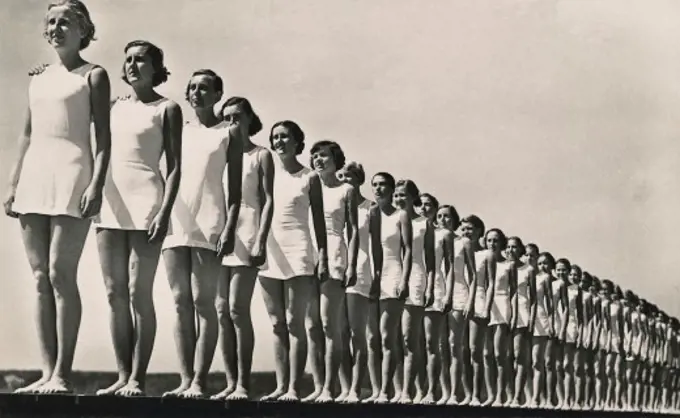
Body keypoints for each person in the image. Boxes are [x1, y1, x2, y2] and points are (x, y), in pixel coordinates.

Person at [4, 0, 111, 394]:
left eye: (65, 21)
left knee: (60, 273)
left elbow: (103, 136)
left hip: (73, 173)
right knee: (38, 277)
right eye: (50, 22)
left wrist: (97, 183)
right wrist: (14, 183)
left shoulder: (94, 75)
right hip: (35, 175)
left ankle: (63, 375)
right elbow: (28, 134)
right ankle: (46, 372)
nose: (56, 28)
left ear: (84, 29)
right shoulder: (38, 78)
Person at [92, 40, 182, 397]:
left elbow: (174, 167)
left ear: (156, 67)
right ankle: (122, 374)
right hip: (111, 202)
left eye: (140, 59)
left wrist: (165, 210)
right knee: (114, 293)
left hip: (148, 201)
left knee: (137, 291)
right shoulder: (113, 106)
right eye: (127, 59)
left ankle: (138, 380)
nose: (132, 65)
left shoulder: (167, 108)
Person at [160, 78, 247, 399]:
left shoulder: (229, 131)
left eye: (205, 87)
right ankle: (184, 380)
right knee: (180, 302)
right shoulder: (177, 127)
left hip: (210, 221)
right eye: (193, 87)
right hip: (175, 219)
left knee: (203, 302)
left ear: (218, 94)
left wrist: (228, 228)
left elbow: (235, 192)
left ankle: (199, 381)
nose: (197, 92)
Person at [257, 121, 328, 402]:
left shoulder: (309, 177)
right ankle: (280, 385)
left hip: (298, 252)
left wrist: (321, 255)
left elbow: (319, 222)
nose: (278, 141)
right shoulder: (266, 171)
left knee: (294, 322)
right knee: (276, 324)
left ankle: (295, 388)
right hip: (269, 252)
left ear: (297, 141)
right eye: (275, 137)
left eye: (284, 136)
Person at [213, 97, 273, 401]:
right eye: (226, 118)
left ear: (249, 118)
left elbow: (267, 200)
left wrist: (261, 240)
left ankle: (243, 384)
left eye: (237, 117)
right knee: (221, 310)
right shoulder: (219, 152)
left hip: (247, 231)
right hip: (217, 233)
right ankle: (229, 381)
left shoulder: (261, 154)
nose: (231, 123)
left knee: (237, 309)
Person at [307, 140, 359, 403]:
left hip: (336, 253)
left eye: (324, 155)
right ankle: (318, 386)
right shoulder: (307, 185)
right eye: (314, 155)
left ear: (335, 158)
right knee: (311, 326)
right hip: (307, 254)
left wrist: (351, 264)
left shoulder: (346, 190)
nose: (318, 159)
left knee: (330, 324)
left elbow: (353, 232)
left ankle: (332, 388)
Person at [340, 162, 381, 403]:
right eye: (341, 176)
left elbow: (376, 246)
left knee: (358, 333)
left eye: (350, 177)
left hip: (361, 272)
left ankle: (356, 387)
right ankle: (345, 388)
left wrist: (377, 276)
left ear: (359, 180)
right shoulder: (333, 204)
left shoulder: (370, 208)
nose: (345, 180)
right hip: (336, 270)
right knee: (339, 332)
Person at [371, 172, 413, 404]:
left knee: (388, 336)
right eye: (374, 185)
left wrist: (404, 280)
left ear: (390, 188)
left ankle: (387, 392)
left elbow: (408, 250)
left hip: (393, 275)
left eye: (383, 185)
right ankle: (383, 389)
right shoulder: (371, 213)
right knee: (372, 338)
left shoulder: (401, 215)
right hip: (370, 277)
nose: (378, 189)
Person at [393, 180, 433, 404]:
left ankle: (412, 390)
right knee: (392, 339)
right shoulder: (387, 219)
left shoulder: (424, 223)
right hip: (390, 278)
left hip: (415, 279)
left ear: (413, 198)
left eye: (404, 196)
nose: (399, 199)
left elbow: (430, 259)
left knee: (410, 338)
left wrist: (429, 286)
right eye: (396, 195)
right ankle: (398, 390)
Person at [420, 203, 455, 405]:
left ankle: (434, 391)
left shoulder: (444, 235)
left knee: (435, 344)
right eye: (420, 205)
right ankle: (418, 389)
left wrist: (447, 295)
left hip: (436, 290)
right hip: (414, 287)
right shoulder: (415, 228)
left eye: (428, 205)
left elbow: (449, 268)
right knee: (415, 343)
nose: (423, 209)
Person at [445, 213, 477, 406]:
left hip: (459, 295)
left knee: (456, 346)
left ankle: (459, 394)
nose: (442, 220)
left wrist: (470, 301)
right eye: (439, 217)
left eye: (446, 217)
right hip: (439, 294)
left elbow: (473, 276)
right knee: (441, 347)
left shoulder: (463, 242)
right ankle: (445, 391)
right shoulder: (434, 237)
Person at [485, 228, 515, 407]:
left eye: (495, 240)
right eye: (489, 240)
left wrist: (512, 313)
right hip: (484, 305)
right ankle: (489, 394)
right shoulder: (481, 259)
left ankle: (501, 395)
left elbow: (513, 292)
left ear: (502, 243)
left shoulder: (509, 265)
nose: (492, 244)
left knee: (499, 354)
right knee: (486, 354)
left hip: (502, 305)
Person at [507, 237, 535, 408]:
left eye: (514, 247)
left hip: (522, 315)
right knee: (504, 357)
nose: (510, 250)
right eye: (508, 247)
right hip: (503, 312)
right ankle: (508, 395)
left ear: (520, 250)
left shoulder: (528, 270)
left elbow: (533, 299)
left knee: (519, 356)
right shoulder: (500, 265)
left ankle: (518, 396)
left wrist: (531, 320)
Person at [529, 252, 555, 408]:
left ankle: (545, 398)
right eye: (540, 263)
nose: (542, 266)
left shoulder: (546, 279)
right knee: (532, 361)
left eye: (545, 263)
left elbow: (550, 305)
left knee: (545, 362)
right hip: (527, 319)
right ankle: (533, 397)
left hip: (541, 320)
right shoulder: (531, 275)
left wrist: (551, 324)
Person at [547, 258, 569, 408]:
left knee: (560, 365)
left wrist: (562, 330)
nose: (560, 272)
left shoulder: (567, 286)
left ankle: (564, 399)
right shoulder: (551, 283)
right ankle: (549, 398)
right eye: (558, 269)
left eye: (564, 270)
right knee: (547, 363)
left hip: (561, 326)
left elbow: (566, 309)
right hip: (545, 324)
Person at [563, 264, 584, 409]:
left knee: (573, 366)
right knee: (561, 365)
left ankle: (575, 401)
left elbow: (582, 316)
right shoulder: (558, 286)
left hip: (572, 326)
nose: (573, 277)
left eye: (576, 275)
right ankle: (563, 399)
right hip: (558, 326)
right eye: (571, 274)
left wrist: (581, 334)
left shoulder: (577, 291)